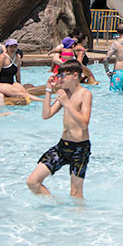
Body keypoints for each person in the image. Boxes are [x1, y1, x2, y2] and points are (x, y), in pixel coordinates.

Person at [26, 60, 93, 198]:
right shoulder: (65, 94)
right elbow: (46, 114)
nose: (60, 79)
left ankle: (78, 217)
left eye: (63, 75)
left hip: (80, 148)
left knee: (75, 193)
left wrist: (67, 103)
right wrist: (48, 90)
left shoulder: (85, 94)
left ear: (75, 75)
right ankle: (55, 207)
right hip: (62, 146)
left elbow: (84, 123)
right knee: (33, 182)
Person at [0, 38, 41, 102]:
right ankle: (42, 100)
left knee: (24, 92)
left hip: (12, 82)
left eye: (15, 47)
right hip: (1, 84)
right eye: (11, 47)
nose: (13, 49)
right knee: (21, 94)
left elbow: (18, 73)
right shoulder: (2, 57)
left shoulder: (17, 57)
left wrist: (19, 84)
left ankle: (39, 100)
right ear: (7, 47)